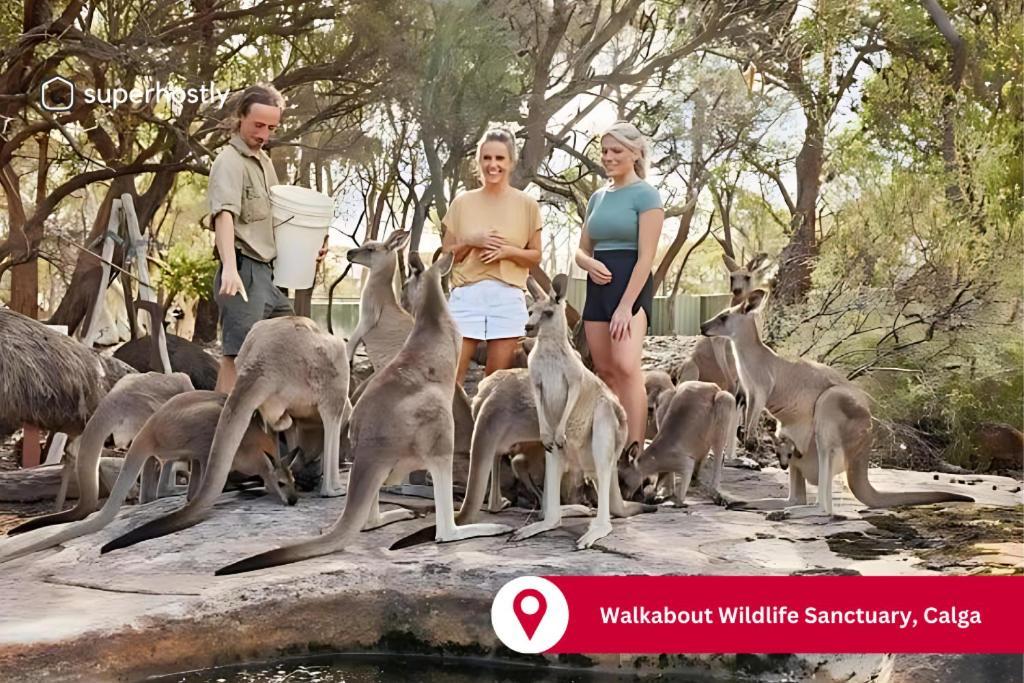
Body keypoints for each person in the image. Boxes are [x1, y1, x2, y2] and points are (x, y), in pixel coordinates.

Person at [574, 121, 664, 450]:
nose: (609, 157)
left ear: (636, 153)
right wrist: (588, 262)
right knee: (605, 370)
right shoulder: (598, 197)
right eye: (605, 151)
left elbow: (646, 257)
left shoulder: (646, 194)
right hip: (597, 288)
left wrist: (626, 306)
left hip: (631, 286)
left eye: (617, 151)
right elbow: (581, 249)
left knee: (626, 368)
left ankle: (634, 454)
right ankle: (609, 449)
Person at [441, 128, 542, 384]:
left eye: (499, 159)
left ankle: (484, 424)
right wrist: (471, 241)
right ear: (479, 161)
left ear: (511, 162)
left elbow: (535, 256)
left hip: (508, 297)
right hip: (466, 296)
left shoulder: (528, 205)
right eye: (487, 158)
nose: (493, 165)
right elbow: (445, 257)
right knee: (450, 379)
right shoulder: (462, 203)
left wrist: (508, 252)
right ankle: (452, 424)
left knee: (495, 383)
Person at [208, 84, 290, 392]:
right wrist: (229, 266)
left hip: (268, 275)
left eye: (271, 127)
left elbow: (275, 218)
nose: (264, 134)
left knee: (287, 341)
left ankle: (264, 430)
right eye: (258, 125)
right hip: (243, 271)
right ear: (240, 117)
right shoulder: (229, 161)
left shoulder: (264, 162)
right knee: (237, 356)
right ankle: (219, 431)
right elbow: (223, 215)